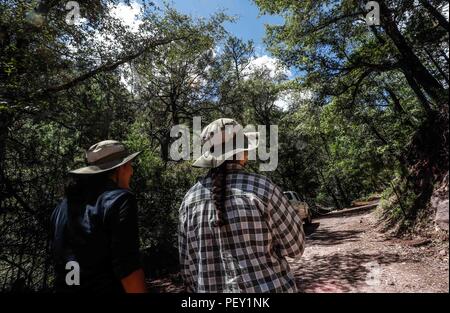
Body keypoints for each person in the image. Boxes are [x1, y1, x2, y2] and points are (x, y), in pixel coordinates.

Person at [178, 118, 305, 293]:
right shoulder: (262, 188)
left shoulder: (188, 201)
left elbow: (188, 270)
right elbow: (295, 248)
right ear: (242, 152)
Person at [50, 140, 147, 293]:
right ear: (121, 168)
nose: (132, 171)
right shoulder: (120, 200)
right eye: (130, 165)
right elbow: (127, 267)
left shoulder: (62, 207)